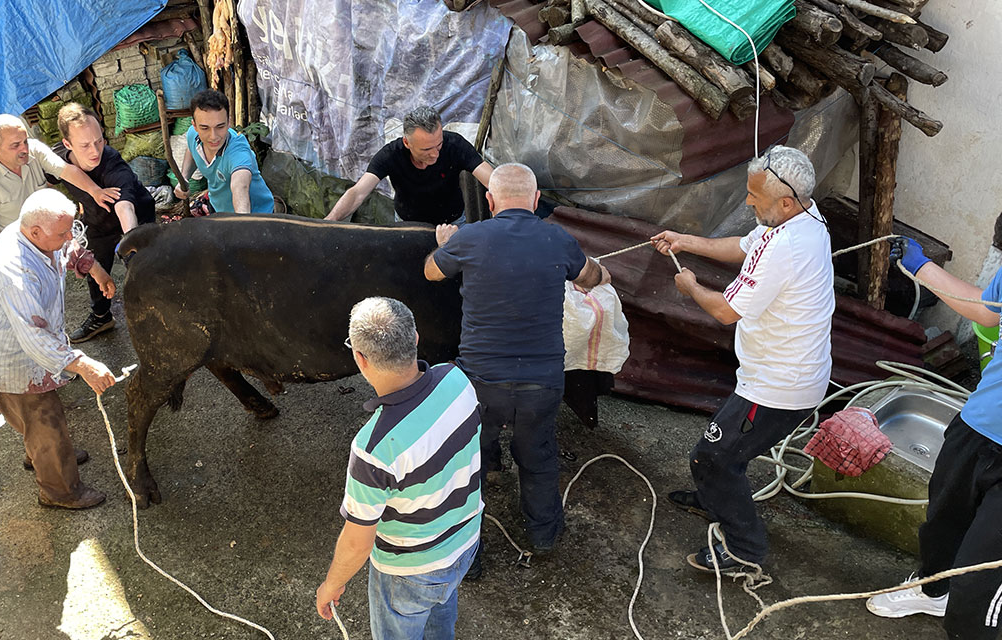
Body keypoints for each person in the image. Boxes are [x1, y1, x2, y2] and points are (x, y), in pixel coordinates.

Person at [649, 145, 833, 573]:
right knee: (723, 453)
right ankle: (716, 500)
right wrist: (685, 241)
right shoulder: (803, 216)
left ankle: (743, 551)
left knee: (712, 458)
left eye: (756, 197)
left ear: (785, 201)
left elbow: (724, 311)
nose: (748, 202)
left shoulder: (785, 245)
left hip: (778, 385)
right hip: (779, 372)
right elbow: (742, 246)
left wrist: (690, 286)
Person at [424, 163, 607, 568]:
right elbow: (591, 276)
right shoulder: (557, 238)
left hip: (481, 383)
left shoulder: (469, 237)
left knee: (468, 461)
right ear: (537, 201)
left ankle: (467, 555)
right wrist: (599, 269)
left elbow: (432, 272)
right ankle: (544, 534)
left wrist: (443, 243)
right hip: (541, 383)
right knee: (537, 455)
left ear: (490, 201)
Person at [315, 297, 482, 640]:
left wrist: (332, 584)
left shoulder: (373, 450)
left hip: (409, 572)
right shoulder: (458, 380)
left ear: (360, 359)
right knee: (441, 607)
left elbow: (357, 543)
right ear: (416, 338)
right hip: (465, 543)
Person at [865, 240, 1001, 640]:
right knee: (942, 523)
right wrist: (920, 266)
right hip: (977, 426)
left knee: (977, 586)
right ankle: (932, 590)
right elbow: (985, 310)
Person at [0, 188, 117, 510]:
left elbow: (68, 245)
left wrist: (95, 268)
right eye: (62, 232)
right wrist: (84, 365)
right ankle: (59, 490)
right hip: (8, 360)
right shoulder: (13, 270)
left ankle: (44, 454)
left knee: (33, 423)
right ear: (35, 232)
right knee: (45, 418)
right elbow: (35, 338)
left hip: (16, 348)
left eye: (69, 228)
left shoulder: (40, 234)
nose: (68, 237)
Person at [50, 102, 154, 343]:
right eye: (85, 145)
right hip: (97, 221)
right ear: (67, 145)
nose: (95, 151)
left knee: (145, 266)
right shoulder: (56, 159)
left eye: (99, 141)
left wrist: (135, 248)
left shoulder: (113, 164)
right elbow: (46, 182)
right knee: (95, 268)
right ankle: (101, 317)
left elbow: (125, 207)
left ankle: (160, 310)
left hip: (137, 215)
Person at [0, 114, 120, 246]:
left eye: (25, 141)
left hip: (48, 237)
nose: (24, 149)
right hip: (13, 248)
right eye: (15, 145)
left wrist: (95, 191)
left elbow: (66, 170)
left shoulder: (33, 149)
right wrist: (26, 250)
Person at [326, 106, 493, 225]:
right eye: (426, 149)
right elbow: (357, 193)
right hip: (407, 225)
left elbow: (493, 181)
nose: (435, 153)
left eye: (439, 145)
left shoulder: (455, 144)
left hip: (453, 224)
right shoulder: (391, 154)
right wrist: (329, 222)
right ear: (407, 142)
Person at [174, 89, 275, 214]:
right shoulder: (193, 135)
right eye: (205, 128)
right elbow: (191, 150)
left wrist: (243, 223)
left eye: (220, 126)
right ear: (195, 125)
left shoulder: (238, 153)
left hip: (254, 217)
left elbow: (240, 187)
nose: (213, 136)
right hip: (218, 207)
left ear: (229, 122)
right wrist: (184, 178)